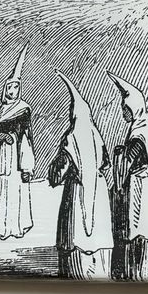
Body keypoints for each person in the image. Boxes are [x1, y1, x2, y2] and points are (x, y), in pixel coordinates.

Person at [47, 73, 114, 279]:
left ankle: (74, 274)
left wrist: (55, 173)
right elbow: (105, 163)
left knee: (75, 233)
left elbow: (57, 174)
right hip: (98, 191)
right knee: (97, 238)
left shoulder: (71, 138)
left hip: (76, 191)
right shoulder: (97, 136)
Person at [108, 72, 148, 281]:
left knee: (134, 241)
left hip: (139, 194)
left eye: (125, 108)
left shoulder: (139, 132)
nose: (123, 112)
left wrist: (119, 153)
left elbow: (126, 165)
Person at [0, 45, 34, 239]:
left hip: (15, 158)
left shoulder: (24, 108)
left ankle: (14, 227)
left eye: (16, 87)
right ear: (5, 89)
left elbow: (26, 136)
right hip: (0, 154)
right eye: (10, 87)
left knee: (14, 189)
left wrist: (27, 165)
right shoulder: (0, 109)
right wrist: (0, 136)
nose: (13, 90)